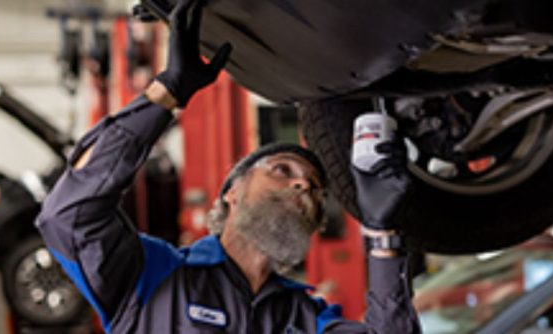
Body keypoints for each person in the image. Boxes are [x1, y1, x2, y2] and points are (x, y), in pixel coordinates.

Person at [35, 0, 420, 332]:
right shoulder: (154, 276)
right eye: (282, 170)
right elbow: (69, 215)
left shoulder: (305, 319)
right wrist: (166, 93)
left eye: (315, 189)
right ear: (230, 193)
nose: (303, 185)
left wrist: (382, 234)